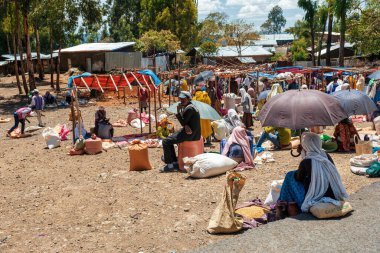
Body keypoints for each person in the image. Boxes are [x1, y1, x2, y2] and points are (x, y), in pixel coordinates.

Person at [278, 132, 348, 212]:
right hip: (332, 193)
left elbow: (299, 178)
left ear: (306, 145)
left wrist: (303, 155)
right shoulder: (325, 155)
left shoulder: (306, 162)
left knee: (289, 176)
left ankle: (284, 205)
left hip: (315, 196)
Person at [161, 91, 201, 172]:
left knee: (166, 141)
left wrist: (178, 112)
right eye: (181, 99)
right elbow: (186, 122)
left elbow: (183, 122)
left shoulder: (189, 108)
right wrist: (186, 125)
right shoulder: (191, 107)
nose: (181, 100)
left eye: (184, 99)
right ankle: (174, 161)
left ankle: (170, 165)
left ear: (188, 99)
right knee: (170, 139)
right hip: (194, 133)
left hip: (190, 134)